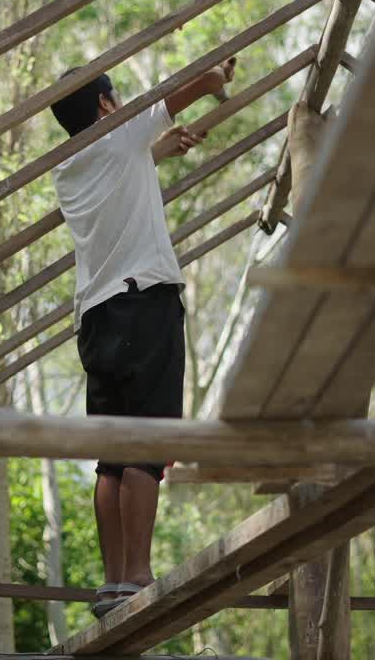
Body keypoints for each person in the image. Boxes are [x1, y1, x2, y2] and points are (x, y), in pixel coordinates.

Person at [49, 58, 236, 618]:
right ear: (107, 105)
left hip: (97, 319)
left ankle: (112, 583)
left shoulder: (70, 169)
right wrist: (214, 80)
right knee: (146, 445)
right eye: (118, 96)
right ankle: (137, 575)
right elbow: (176, 92)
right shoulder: (120, 131)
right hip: (142, 306)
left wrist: (153, 153)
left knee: (111, 458)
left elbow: (117, 179)